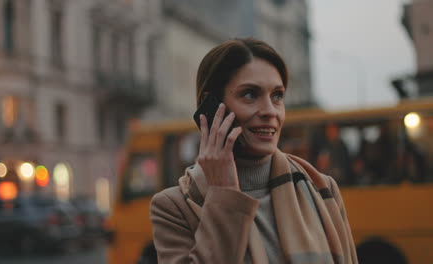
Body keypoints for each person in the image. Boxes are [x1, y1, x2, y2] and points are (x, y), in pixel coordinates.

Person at [150, 38, 357, 263]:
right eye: (250, 94)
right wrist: (224, 193)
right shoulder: (173, 208)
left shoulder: (323, 189)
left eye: (277, 96)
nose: (270, 111)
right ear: (210, 106)